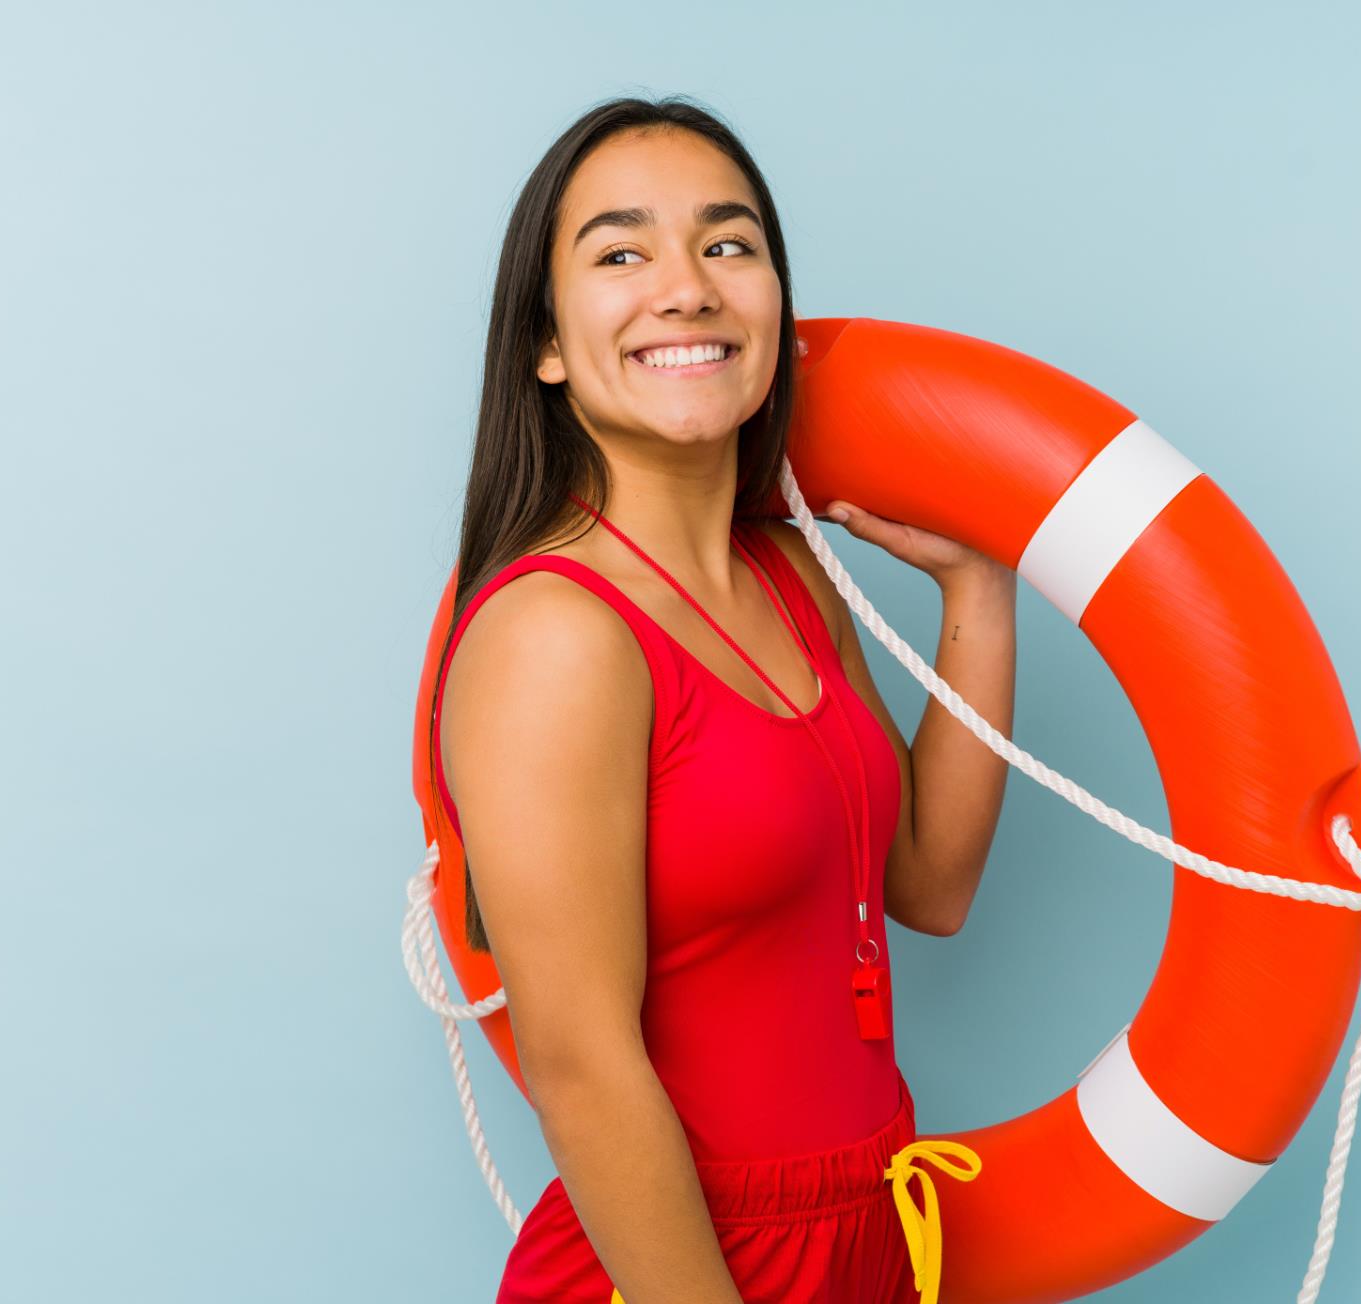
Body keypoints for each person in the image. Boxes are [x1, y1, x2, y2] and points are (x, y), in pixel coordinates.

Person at [430, 94, 1016, 1303]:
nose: (687, 286)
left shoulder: (789, 573)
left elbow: (929, 884)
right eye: (621, 251)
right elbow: (581, 1062)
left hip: (869, 1228)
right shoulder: (556, 633)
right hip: (680, 1259)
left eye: (729, 243)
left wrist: (980, 593)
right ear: (545, 342)